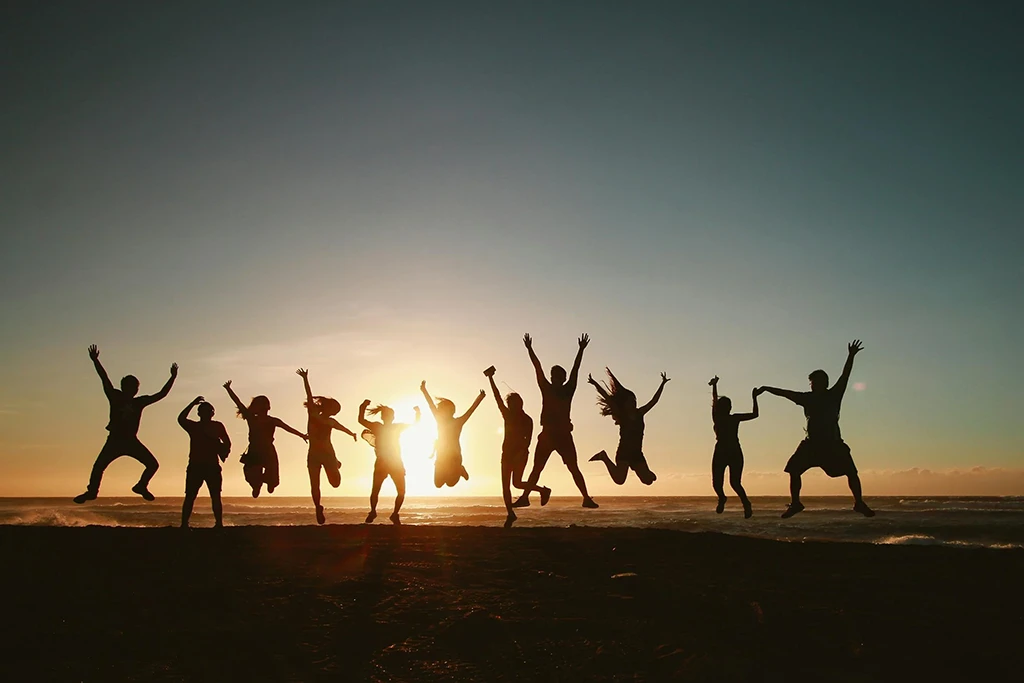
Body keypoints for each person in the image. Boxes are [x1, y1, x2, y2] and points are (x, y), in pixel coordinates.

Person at [759, 339, 875, 518]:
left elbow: (845, 375)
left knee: (851, 472)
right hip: (811, 445)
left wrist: (850, 356)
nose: (812, 385)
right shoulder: (807, 398)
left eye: (814, 382)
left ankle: (859, 503)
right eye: (811, 383)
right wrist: (767, 388)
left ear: (823, 383)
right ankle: (796, 503)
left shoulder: (834, 395)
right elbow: (786, 393)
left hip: (832, 444)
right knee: (794, 470)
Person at [74, 345, 177, 503]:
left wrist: (172, 377)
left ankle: (141, 486)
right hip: (115, 440)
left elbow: (161, 394)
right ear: (123, 387)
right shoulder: (115, 396)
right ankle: (92, 491)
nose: (133, 390)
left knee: (152, 464)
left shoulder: (139, 402)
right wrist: (96, 361)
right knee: (98, 466)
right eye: (130, 387)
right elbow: (104, 378)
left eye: (135, 387)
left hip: (131, 441)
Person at [514, 333, 598, 509]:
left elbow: (576, 369)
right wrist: (530, 349)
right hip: (547, 434)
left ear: (563, 378)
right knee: (537, 468)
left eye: (559, 377)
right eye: (553, 376)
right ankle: (525, 497)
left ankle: (586, 498)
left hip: (563, 435)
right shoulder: (546, 388)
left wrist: (581, 350)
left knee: (573, 468)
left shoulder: (568, 390)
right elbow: (537, 368)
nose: (555, 379)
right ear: (552, 378)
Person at [485, 366, 550, 528]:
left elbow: (528, 441)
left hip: (520, 454)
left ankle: (542, 491)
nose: (514, 405)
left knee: (517, 483)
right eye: (512, 403)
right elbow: (497, 397)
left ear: (521, 403)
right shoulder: (507, 415)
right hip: (506, 454)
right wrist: (490, 379)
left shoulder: (527, 419)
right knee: (507, 486)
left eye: (517, 402)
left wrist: (521, 454)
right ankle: (510, 514)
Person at [223, 380, 306, 498]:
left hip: (267, 450)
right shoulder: (252, 419)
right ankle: (257, 485)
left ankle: (267, 483)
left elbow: (288, 428)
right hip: (255, 450)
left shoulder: (272, 420)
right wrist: (229, 389)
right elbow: (238, 402)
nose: (264, 407)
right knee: (252, 474)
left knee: (272, 478)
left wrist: (302, 435)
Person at [587, 369, 670, 486]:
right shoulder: (622, 415)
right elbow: (607, 398)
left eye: (634, 400)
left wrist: (663, 383)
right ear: (625, 404)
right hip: (624, 452)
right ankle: (604, 457)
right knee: (619, 480)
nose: (633, 403)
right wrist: (595, 383)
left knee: (648, 481)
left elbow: (654, 401)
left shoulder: (640, 413)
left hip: (637, 453)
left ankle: (642, 471)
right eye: (630, 401)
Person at [297, 369, 358, 524]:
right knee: (314, 484)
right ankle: (318, 507)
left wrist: (351, 434)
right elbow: (309, 396)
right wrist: (305, 378)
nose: (334, 413)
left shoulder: (331, 422)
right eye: (334, 410)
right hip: (313, 455)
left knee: (335, 483)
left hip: (328, 455)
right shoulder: (313, 414)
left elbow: (342, 428)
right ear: (328, 408)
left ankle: (336, 465)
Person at [358, 400, 420, 525]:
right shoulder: (381, 427)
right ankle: (379, 512)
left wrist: (363, 406)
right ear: (388, 417)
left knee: (395, 491)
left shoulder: (387, 427)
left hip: (393, 462)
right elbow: (416, 423)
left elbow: (415, 424)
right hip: (388, 462)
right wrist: (417, 412)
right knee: (388, 490)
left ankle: (389, 513)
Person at [177, 396, 231, 528]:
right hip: (196, 465)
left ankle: (218, 524)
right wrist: (192, 403)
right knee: (191, 496)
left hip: (211, 465)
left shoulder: (217, 426)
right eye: (204, 411)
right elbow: (181, 419)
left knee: (215, 496)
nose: (207, 414)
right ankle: (184, 524)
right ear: (199, 413)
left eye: (209, 411)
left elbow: (227, 443)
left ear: (212, 413)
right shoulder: (194, 426)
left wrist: (222, 450)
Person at [420, 380, 485, 488]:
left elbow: (471, 410)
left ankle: (460, 469)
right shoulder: (439, 420)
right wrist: (424, 390)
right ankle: (457, 470)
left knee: (450, 483)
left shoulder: (458, 422)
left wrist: (480, 398)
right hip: (441, 455)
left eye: (442, 409)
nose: (439, 411)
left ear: (451, 411)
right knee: (438, 484)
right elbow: (430, 405)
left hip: (454, 457)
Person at [708, 376, 757, 518]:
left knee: (735, 483)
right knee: (717, 483)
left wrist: (754, 398)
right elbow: (715, 401)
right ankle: (722, 498)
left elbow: (755, 414)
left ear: (730, 408)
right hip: (722, 450)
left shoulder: (734, 418)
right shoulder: (717, 417)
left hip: (734, 451)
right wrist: (714, 386)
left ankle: (746, 504)